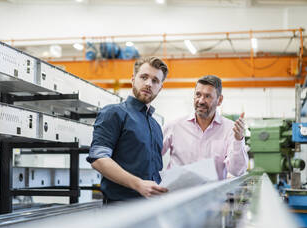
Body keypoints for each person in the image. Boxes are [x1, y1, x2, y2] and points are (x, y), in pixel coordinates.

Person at [87, 57, 169, 203]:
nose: (148, 84)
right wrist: (138, 184)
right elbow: (98, 159)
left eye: (155, 80)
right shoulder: (113, 113)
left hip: (152, 207)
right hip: (120, 209)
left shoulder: (156, 126)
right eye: (144, 77)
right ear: (133, 79)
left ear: (160, 87)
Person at [162, 75, 248, 180]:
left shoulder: (230, 130)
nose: (201, 101)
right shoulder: (174, 127)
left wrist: (238, 140)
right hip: (178, 194)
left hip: (213, 195)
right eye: (198, 95)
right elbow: (151, 157)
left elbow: (237, 171)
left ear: (219, 100)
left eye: (207, 96)